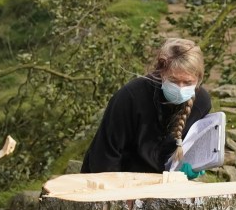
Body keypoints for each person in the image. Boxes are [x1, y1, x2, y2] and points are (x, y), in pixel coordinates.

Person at [81, 38, 210, 179]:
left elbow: (192, 146)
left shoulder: (201, 103)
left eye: (188, 82)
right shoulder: (130, 96)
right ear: (161, 72)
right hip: (118, 177)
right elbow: (105, 154)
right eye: (173, 80)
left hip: (162, 184)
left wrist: (192, 164)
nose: (180, 88)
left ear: (198, 79)